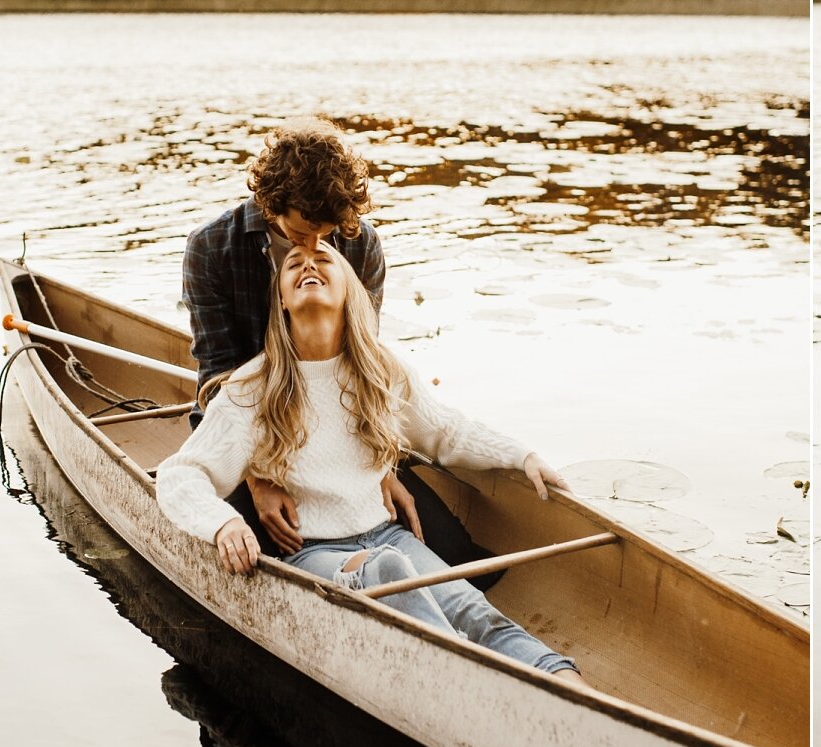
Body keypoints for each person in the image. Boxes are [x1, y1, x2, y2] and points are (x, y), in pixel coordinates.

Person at [157, 238, 589, 685]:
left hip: (388, 535)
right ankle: (469, 687)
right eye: (294, 266)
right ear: (282, 301)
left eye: (324, 259)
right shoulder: (252, 388)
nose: (308, 265)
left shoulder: (380, 370)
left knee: (472, 608)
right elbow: (179, 475)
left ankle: (573, 692)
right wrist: (222, 524)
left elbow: (446, 431)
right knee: (385, 571)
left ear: (348, 289)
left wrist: (522, 455)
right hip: (312, 552)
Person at [181, 119, 417, 554]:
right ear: (271, 202)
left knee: (439, 539)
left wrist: (380, 469)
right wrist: (259, 480)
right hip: (249, 431)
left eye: (325, 234)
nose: (313, 246)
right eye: (302, 232)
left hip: (338, 428)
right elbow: (218, 374)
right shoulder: (210, 249)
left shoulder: (359, 243)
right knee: (269, 544)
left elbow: (361, 365)